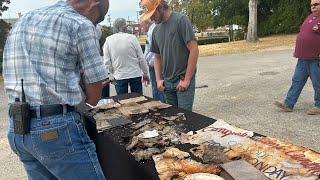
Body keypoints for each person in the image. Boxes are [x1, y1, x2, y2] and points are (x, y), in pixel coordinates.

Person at [3, 0, 109, 179]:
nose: (94, 24)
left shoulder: (25, 20)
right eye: (98, 19)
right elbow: (93, 96)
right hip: (54, 130)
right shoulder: (80, 24)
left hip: (18, 127)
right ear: (94, 3)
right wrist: (85, 88)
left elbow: (40, 77)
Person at [140, 0, 199, 111]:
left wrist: (187, 80)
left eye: (153, 15)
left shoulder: (181, 21)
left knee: (185, 118)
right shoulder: (156, 30)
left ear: (160, 7)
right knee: (172, 118)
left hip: (181, 81)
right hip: (167, 83)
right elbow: (157, 56)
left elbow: (194, 50)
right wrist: (158, 80)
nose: (151, 19)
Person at [274, 0, 320, 115]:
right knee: (297, 80)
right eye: (311, 5)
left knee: (318, 82)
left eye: (316, 4)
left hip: (316, 58)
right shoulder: (309, 17)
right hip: (303, 57)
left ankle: (319, 105)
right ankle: (289, 104)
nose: (313, 7)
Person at [103, 18, 150, 95]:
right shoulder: (132, 38)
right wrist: (145, 73)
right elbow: (141, 57)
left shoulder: (108, 40)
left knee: (122, 101)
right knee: (138, 100)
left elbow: (107, 61)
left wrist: (110, 74)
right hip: (135, 74)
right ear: (125, 27)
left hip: (119, 75)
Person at [141, 20, 166, 102]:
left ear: (147, 23)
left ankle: (161, 105)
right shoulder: (152, 31)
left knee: (158, 89)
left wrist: (149, 60)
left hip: (155, 65)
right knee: (156, 89)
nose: (142, 27)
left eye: (142, 25)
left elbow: (154, 50)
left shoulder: (153, 31)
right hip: (153, 64)